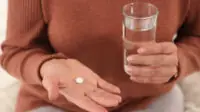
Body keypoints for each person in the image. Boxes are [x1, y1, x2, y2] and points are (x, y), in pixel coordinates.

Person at [1, 0, 200, 112]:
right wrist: (46, 67)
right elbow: (15, 50)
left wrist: (181, 60)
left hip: (150, 99)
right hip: (57, 103)